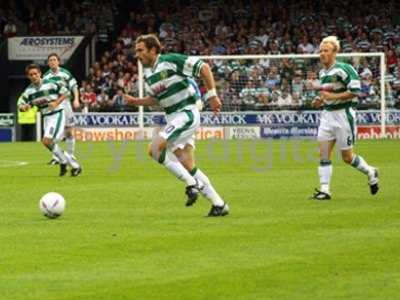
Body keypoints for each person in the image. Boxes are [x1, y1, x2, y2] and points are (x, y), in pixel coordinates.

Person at [124, 34, 229, 216]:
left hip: (186, 113)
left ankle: (191, 184)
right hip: (173, 117)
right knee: (187, 164)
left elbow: (203, 67)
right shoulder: (149, 75)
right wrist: (136, 102)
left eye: (140, 50)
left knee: (154, 149)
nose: (137, 55)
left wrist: (212, 94)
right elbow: (156, 100)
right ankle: (218, 204)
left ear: (153, 50)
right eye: (136, 51)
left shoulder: (170, 61)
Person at [311, 36, 378, 200]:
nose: (322, 54)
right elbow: (328, 93)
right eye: (321, 50)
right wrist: (320, 100)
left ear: (335, 53)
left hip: (343, 115)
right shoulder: (322, 73)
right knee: (323, 153)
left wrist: (332, 97)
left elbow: (355, 91)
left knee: (347, 158)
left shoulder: (344, 68)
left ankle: (371, 171)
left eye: (326, 50)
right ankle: (325, 190)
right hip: (327, 116)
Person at [18, 64, 82, 176]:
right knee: (47, 143)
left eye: (35, 74)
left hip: (57, 114)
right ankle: (69, 164)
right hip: (46, 117)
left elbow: (66, 92)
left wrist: (56, 103)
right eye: (31, 75)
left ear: (40, 74)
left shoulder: (50, 83)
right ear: (28, 76)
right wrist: (23, 107)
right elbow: (20, 103)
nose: (34, 76)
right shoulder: (29, 91)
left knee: (48, 141)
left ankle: (69, 164)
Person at [43, 53, 80, 165]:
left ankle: (70, 154)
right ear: (48, 63)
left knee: (69, 131)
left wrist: (76, 99)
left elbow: (74, 86)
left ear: (58, 61)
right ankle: (56, 157)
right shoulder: (46, 77)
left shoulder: (65, 73)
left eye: (54, 60)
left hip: (66, 103)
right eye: (50, 60)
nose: (53, 62)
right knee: (54, 132)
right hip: (55, 104)